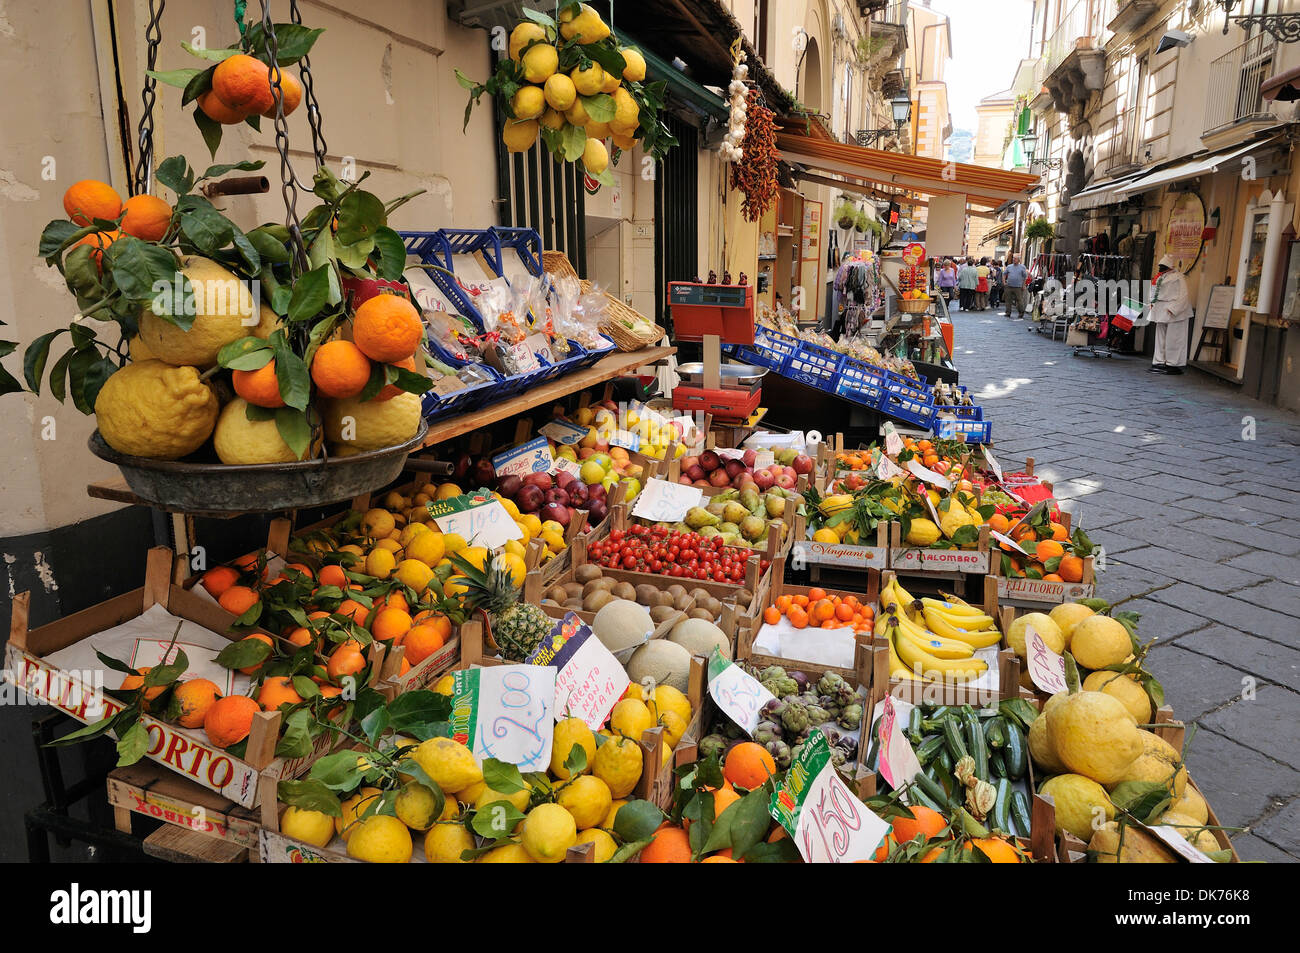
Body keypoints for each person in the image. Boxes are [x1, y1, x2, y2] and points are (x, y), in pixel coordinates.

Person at [1148, 254, 1192, 375]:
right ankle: (1159, 361)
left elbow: (1184, 295)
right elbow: (1153, 292)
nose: (1161, 268)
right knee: (1160, 337)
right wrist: (1152, 302)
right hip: (1160, 310)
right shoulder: (1159, 278)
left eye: (1163, 266)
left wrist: (1174, 309)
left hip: (1174, 312)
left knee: (1174, 339)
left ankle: (1172, 363)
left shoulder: (1179, 277)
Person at [1002, 254, 1028, 318]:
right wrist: (1004, 282)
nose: (1014, 259)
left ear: (1019, 260)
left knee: (1019, 300)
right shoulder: (1009, 266)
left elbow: (1025, 277)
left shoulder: (1022, 267)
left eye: (1015, 258)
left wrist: (1023, 285)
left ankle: (1021, 313)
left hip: (1018, 287)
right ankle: (1008, 312)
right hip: (1009, 286)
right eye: (1013, 258)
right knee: (1008, 300)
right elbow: (1004, 274)